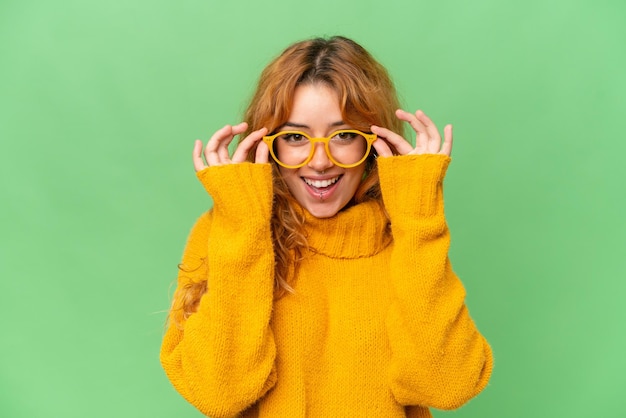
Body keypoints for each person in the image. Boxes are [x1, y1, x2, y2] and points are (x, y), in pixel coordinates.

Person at [160, 36, 493, 418]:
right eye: (296, 137)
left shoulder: (408, 234)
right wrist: (244, 224)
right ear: (268, 143)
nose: (320, 161)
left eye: (344, 135)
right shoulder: (228, 231)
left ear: (374, 139)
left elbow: (447, 385)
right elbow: (219, 394)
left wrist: (418, 216)